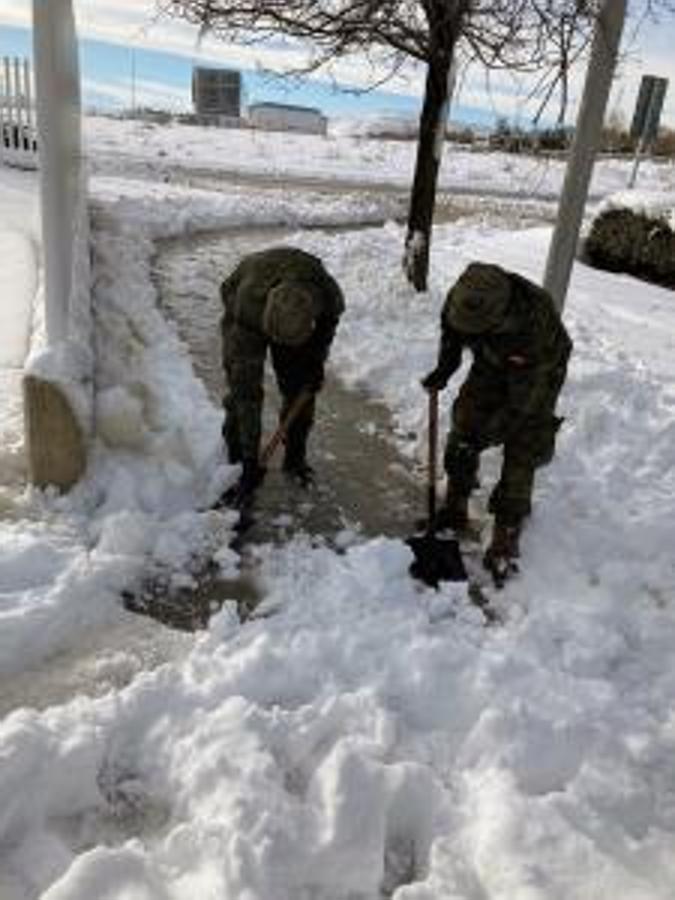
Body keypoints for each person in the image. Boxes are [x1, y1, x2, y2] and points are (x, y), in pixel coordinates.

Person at [422, 261, 572, 581]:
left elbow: (521, 410)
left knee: (523, 443)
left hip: (538, 367)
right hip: (492, 358)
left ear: (497, 318)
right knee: (465, 419)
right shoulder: (463, 297)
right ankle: (455, 505)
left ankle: (507, 532)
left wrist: (485, 436)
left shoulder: (534, 322)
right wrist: (444, 371)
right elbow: (452, 335)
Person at [220, 246, 345, 503]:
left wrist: (315, 362)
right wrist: (250, 458)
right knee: (242, 391)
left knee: (301, 389)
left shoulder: (328, 297)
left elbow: (326, 328)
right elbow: (247, 392)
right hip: (247, 313)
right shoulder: (247, 304)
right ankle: (237, 459)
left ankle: (295, 458)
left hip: (293, 311)